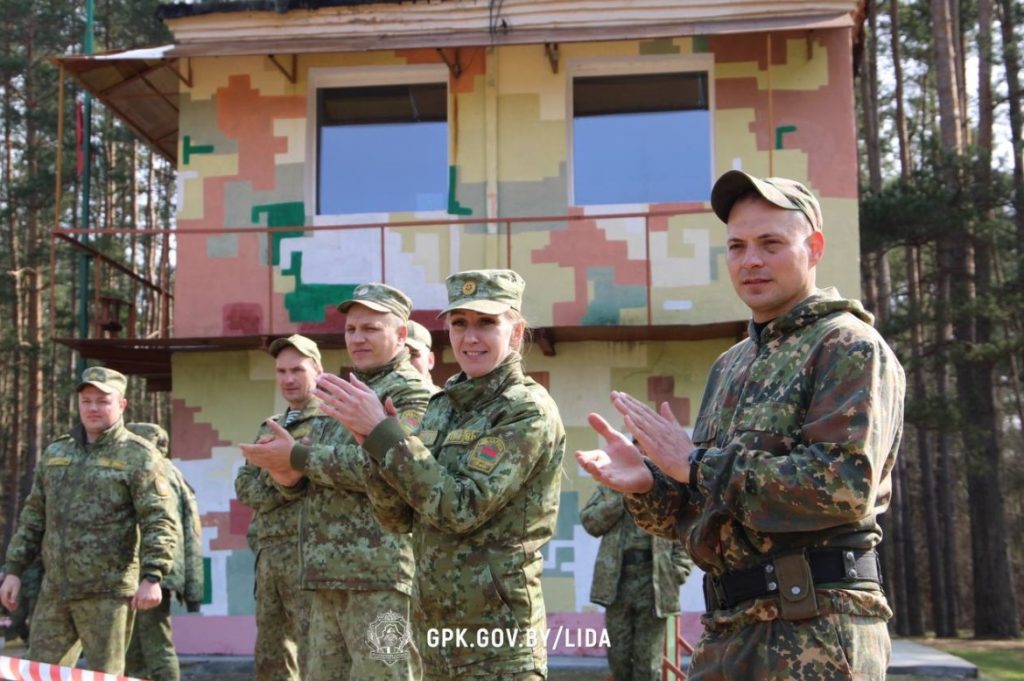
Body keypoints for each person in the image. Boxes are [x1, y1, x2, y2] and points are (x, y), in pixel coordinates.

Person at [576, 171, 906, 681]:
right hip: (728, 629)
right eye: (737, 246)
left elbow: (842, 487)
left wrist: (695, 464)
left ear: (814, 248)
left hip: (814, 629)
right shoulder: (730, 366)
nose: (750, 260)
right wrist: (649, 486)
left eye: (770, 244)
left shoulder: (846, 345)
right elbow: (705, 510)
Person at [317, 269, 566, 681]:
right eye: (459, 323)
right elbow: (398, 517)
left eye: (486, 322)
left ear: (516, 330)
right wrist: (373, 445)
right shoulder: (442, 406)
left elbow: (460, 508)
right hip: (435, 637)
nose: (470, 337)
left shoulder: (525, 410)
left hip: (498, 642)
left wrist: (387, 437)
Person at [241, 285, 432, 681]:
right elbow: (315, 479)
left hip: (380, 576)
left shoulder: (412, 393)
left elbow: (390, 466)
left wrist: (298, 458)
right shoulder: (341, 394)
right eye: (351, 329)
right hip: (325, 575)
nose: (357, 338)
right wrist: (287, 477)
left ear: (400, 335)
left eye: (371, 328)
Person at [0, 367, 178, 674]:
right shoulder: (57, 452)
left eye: (102, 401)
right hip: (56, 590)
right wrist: (14, 569)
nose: (93, 408)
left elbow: (159, 519)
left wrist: (153, 576)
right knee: (38, 673)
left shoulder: (138, 455)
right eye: (86, 400)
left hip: (107, 593)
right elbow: (34, 516)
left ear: (121, 404)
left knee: (104, 676)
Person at [235, 335, 326, 681]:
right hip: (270, 558)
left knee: (315, 657)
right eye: (281, 371)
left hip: (311, 559)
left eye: (297, 370)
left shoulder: (329, 423)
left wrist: (285, 480)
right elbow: (244, 484)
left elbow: (318, 482)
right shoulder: (270, 425)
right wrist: (285, 480)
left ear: (318, 371)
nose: (288, 379)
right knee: (271, 657)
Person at [580, 484, 692, 681]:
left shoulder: (665, 488)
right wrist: (623, 497)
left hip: (654, 582)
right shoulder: (611, 488)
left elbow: (684, 531)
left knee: (647, 661)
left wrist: (678, 570)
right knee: (618, 655)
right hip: (617, 582)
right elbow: (591, 523)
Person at [123, 422, 204, 681]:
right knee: (139, 642)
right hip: (160, 567)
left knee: (154, 643)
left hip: (148, 567)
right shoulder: (173, 472)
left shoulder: (151, 469)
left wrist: (152, 571)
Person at [406, 319, 440, 391]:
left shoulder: (444, 398)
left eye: (413, 354)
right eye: (399, 356)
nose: (404, 361)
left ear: (430, 360)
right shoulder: (382, 395)